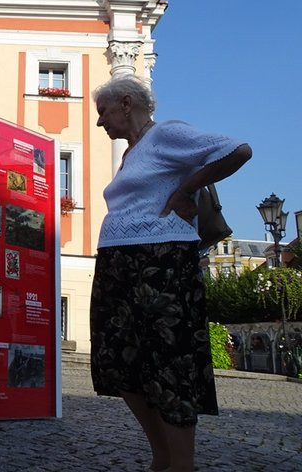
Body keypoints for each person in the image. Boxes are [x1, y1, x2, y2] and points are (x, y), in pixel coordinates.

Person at [90, 75, 251, 472]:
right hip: (118, 261)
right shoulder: (131, 154)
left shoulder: (167, 135)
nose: (100, 123)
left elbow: (237, 150)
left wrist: (185, 190)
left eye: (103, 112)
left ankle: (180, 462)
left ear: (127, 103)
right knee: (118, 362)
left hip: (160, 262)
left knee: (169, 362)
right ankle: (162, 454)